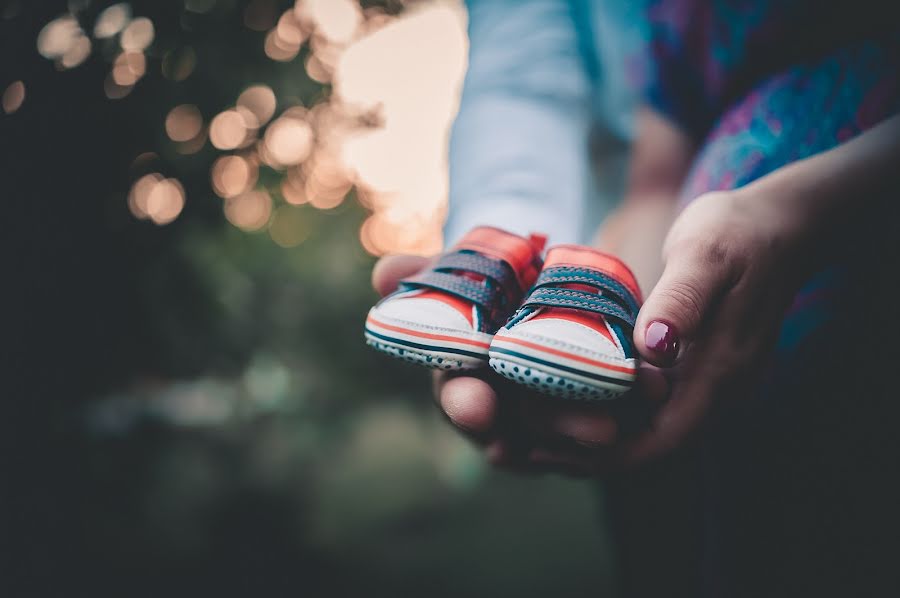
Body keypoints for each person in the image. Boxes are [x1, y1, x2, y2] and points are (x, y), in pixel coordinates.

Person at [372, 1, 900, 595]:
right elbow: (649, 180)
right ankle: (539, 292)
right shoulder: (669, 26)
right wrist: (640, 304)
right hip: (710, 310)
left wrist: (815, 206)